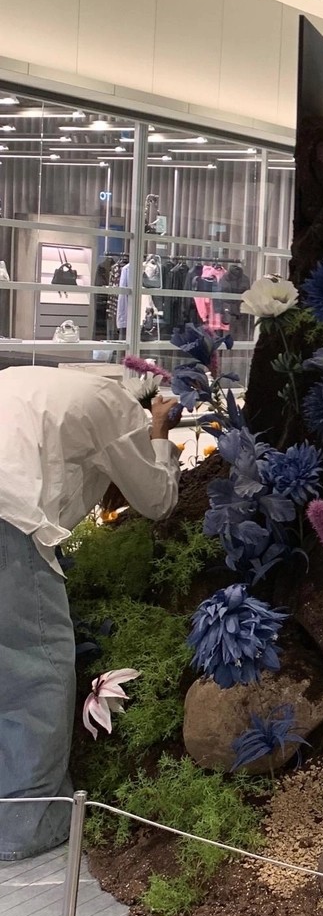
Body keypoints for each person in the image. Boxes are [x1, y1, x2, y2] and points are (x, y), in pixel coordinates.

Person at [0, 367, 181, 859]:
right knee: (35, 674)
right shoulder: (113, 406)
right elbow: (157, 499)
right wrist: (160, 435)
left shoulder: (37, 385)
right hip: (7, 521)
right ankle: (24, 827)